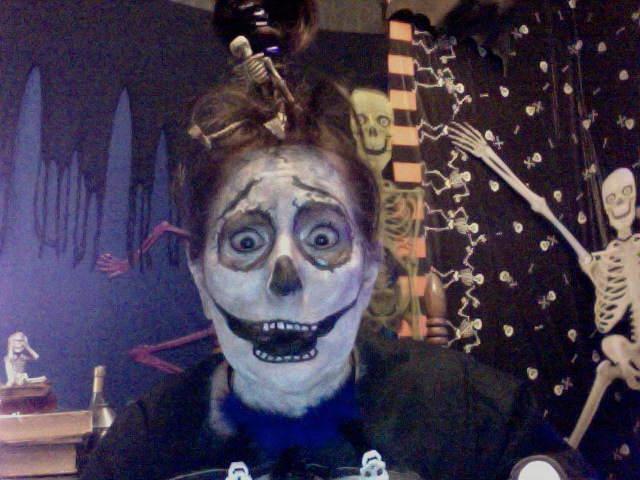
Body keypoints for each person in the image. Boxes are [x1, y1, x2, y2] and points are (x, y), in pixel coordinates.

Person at [80, 79, 597, 480]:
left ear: (370, 269)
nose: (285, 278)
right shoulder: (146, 446)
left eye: (323, 238)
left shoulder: (462, 410)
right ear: (200, 278)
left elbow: (550, 461)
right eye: (246, 242)